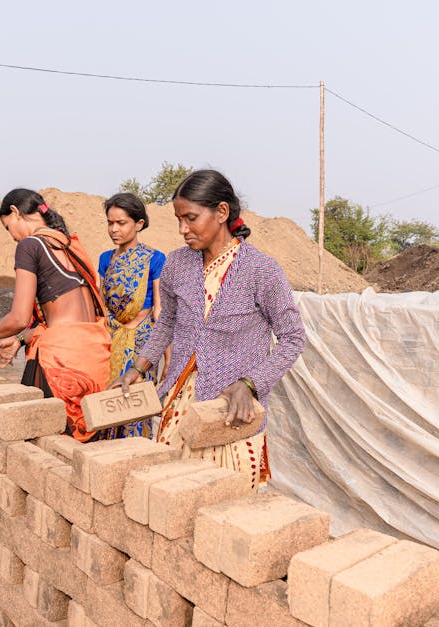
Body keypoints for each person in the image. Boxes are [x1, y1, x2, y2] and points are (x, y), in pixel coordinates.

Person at [115, 170, 306, 490]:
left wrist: (251, 383)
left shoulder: (261, 269)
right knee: (170, 493)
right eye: (178, 219)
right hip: (180, 400)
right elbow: (167, 323)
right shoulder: (177, 264)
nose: (182, 229)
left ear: (221, 212)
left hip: (231, 408)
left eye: (190, 218)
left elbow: (292, 338)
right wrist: (140, 365)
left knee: (225, 501)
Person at [0, 189, 110, 442]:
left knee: (41, 443)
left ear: (15, 212)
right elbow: (67, 315)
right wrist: (20, 339)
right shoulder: (69, 244)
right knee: (87, 448)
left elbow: (18, 317)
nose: (12, 236)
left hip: (62, 361)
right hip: (94, 356)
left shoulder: (31, 245)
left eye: (8, 228)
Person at [97, 193, 166, 439]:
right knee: (107, 401)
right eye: (110, 223)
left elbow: (161, 310)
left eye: (121, 223)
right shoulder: (106, 259)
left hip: (143, 341)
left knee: (135, 402)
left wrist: (167, 357)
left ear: (139, 224)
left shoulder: (155, 259)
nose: (114, 229)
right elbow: (102, 303)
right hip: (111, 337)